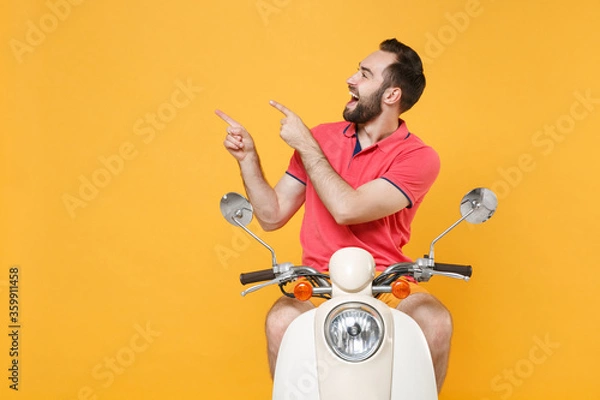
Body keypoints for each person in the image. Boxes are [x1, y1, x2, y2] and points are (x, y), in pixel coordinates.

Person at [216, 38, 451, 392]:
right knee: (280, 320)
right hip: (320, 282)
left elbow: (348, 209)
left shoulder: (418, 157)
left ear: (391, 95)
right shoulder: (323, 138)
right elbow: (272, 215)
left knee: (434, 321)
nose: (351, 79)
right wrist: (248, 158)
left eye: (365, 74)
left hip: (387, 282)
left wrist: (306, 145)